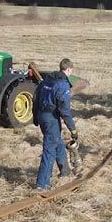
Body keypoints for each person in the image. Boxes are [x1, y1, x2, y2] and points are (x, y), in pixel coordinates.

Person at [33, 58, 78, 191]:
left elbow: (35, 98)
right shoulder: (62, 85)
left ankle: (65, 171)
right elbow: (65, 111)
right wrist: (73, 129)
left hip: (42, 115)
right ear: (69, 69)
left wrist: (35, 116)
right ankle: (42, 184)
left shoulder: (47, 80)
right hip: (51, 118)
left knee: (57, 141)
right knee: (49, 150)